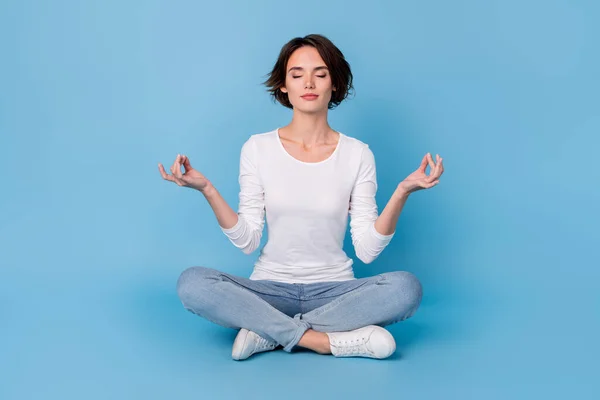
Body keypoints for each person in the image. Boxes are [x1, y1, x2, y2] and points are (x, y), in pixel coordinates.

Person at [158, 34, 444, 361]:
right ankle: (324, 340)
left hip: (335, 292)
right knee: (192, 283)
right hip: (269, 290)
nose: (308, 82)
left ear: (334, 84)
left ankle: (267, 332)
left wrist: (402, 192)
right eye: (296, 74)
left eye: (320, 74)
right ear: (283, 86)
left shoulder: (357, 154)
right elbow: (248, 241)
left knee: (406, 289)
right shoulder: (258, 148)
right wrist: (207, 189)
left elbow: (367, 250)